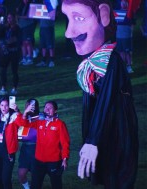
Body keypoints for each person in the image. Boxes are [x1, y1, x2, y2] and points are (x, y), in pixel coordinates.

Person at [61, 0, 139, 188]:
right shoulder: (92, 64)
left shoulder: (111, 62)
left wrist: (92, 141)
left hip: (117, 135)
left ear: (103, 16)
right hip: (104, 135)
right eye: (67, 19)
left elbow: (107, 101)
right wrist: (89, 139)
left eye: (79, 18)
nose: (68, 32)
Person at [21, 100, 70, 189]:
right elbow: (24, 124)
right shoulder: (39, 121)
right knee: (35, 185)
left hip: (54, 162)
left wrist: (65, 159)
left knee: (56, 185)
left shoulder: (60, 124)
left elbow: (65, 143)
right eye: (46, 107)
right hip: (39, 160)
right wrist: (25, 113)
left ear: (55, 111)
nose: (47, 109)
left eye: (50, 108)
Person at [17, 98, 39, 189]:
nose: (30, 108)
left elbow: (27, 126)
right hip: (25, 149)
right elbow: (20, 128)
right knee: (21, 174)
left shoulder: (40, 118)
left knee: (36, 175)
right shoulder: (23, 117)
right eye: (28, 106)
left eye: (32, 106)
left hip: (36, 149)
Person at [0, 12, 21, 95]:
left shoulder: (17, 28)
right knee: (3, 70)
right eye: (8, 18)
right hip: (5, 53)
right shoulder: (5, 28)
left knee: (14, 71)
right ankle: (3, 87)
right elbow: (0, 37)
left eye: (11, 18)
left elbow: (16, 39)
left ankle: (15, 87)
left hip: (14, 52)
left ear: (14, 19)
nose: (9, 19)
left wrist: (6, 42)